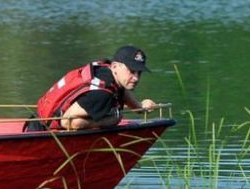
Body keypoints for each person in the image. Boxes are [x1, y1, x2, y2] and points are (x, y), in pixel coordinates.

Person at [24, 45, 159, 132]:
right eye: (131, 71)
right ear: (115, 66)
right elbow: (68, 121)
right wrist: (111, 120)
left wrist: (138, 106)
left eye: (139, 73)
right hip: (42, 133)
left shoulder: (106, 72)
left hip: (36, 121)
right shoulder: (101, 94)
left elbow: (119, 89)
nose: (136, 78)